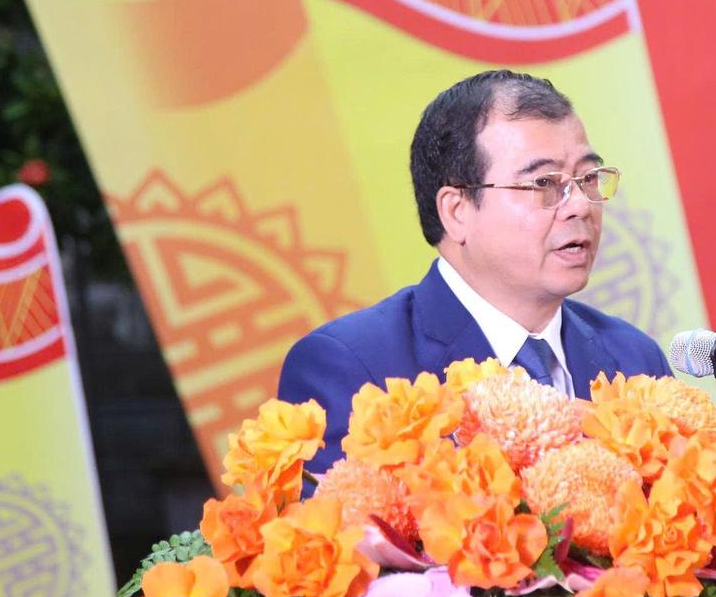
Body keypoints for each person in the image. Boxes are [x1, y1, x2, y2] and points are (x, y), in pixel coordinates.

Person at [277, 69, 669, 474]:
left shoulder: (633, 357)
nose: (581, 206)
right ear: (457, 211)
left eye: (587, 178)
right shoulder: (354, 369)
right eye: (544, 183)